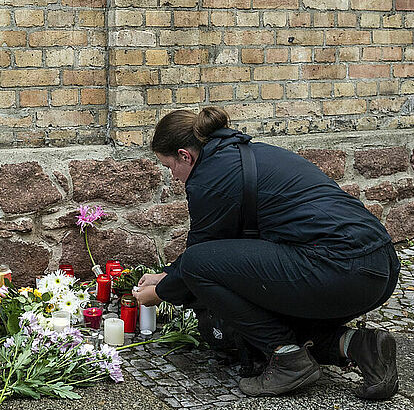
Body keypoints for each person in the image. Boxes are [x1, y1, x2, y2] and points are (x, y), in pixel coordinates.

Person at [132, 107, 400, 399]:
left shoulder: (209, 178)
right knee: (255, 310)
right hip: (380, 267)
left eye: (169, 166)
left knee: (202, 273)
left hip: (340, 269)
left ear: (186, 155)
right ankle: (358, 345)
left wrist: (161, 293)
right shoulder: (243, 153)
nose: (173, 177)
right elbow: (223, 254)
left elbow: (199, 258)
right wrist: (168, 275)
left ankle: (286, 358)